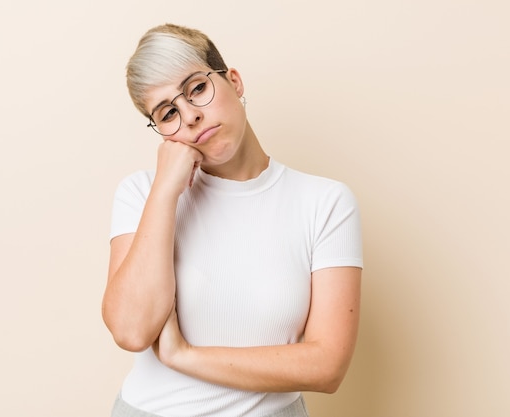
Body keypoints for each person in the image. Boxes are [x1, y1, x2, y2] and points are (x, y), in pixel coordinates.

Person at [102, 23, 363, 417]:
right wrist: (165, 193)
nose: (189, 116)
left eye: (197, 89)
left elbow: (327, 367)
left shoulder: (324, 202)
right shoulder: (141, 194)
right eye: (168, 112)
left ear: (234, 82)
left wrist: (183, 356)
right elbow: (131, 330)